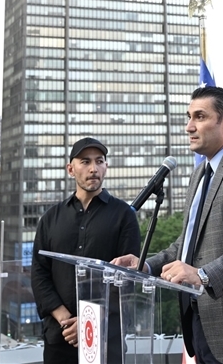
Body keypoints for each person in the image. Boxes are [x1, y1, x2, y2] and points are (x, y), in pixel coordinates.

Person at [113, 86, 223, 364]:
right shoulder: (200, 174)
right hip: (199, 324)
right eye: (188, 117)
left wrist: (204, 275)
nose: (189, 126)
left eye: (200, 117)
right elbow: (187, 244)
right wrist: (145, 265)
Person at [31, 137, 140, 364]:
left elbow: (126, 278)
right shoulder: (51, 218)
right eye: (85, 162)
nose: (93, 168)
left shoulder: (124, 215)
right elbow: (39, 274)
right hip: (61, 337)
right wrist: (67, 320)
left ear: (106, 167)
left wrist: (89, 321)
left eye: (99, 161)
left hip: (107, 337)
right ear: (71, 169)